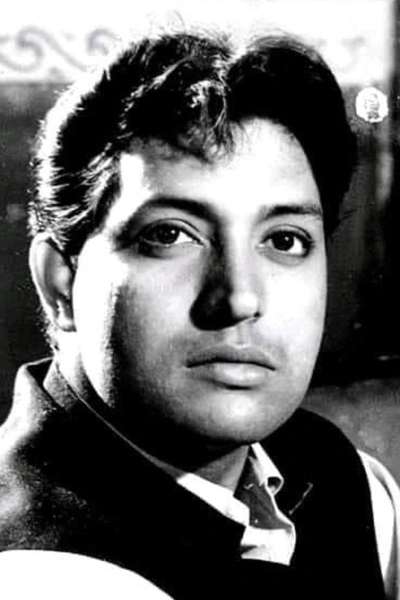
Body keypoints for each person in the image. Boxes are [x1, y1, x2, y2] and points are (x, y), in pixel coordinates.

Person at [0, 28, 398, 599]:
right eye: (170, 235)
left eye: (284, 240)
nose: (238, 298)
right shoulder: (41, 575)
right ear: (60, 284)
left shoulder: (347, 484)